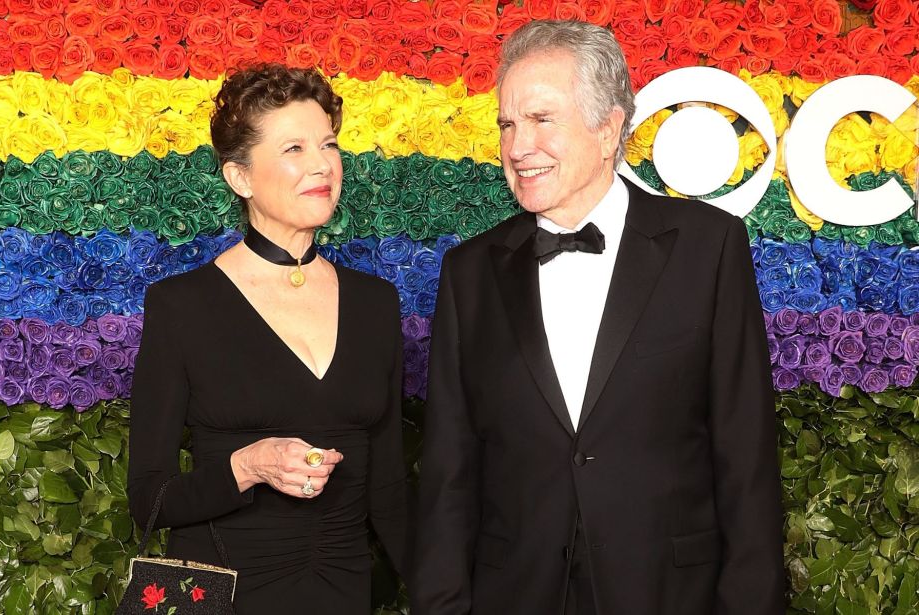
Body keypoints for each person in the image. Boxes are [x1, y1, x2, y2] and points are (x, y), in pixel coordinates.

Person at [411, 20, 784, 615]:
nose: (517, 146)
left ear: (609, 129)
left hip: (668, 594)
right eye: (508, 124)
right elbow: (449, 473)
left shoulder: (707, 248)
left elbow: (746, 456)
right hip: (515, 594)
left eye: (540, 120)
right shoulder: (470, 272)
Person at [127, 64, 410, 615]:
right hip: (229, 598)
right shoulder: (182, 305)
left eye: (328, 144)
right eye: (294, 149)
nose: (321, 165)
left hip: (343, 594)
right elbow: (149, 501)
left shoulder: (376, 303)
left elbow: (390, 490)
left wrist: (442, 596)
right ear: (240, 178)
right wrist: (248, 466)